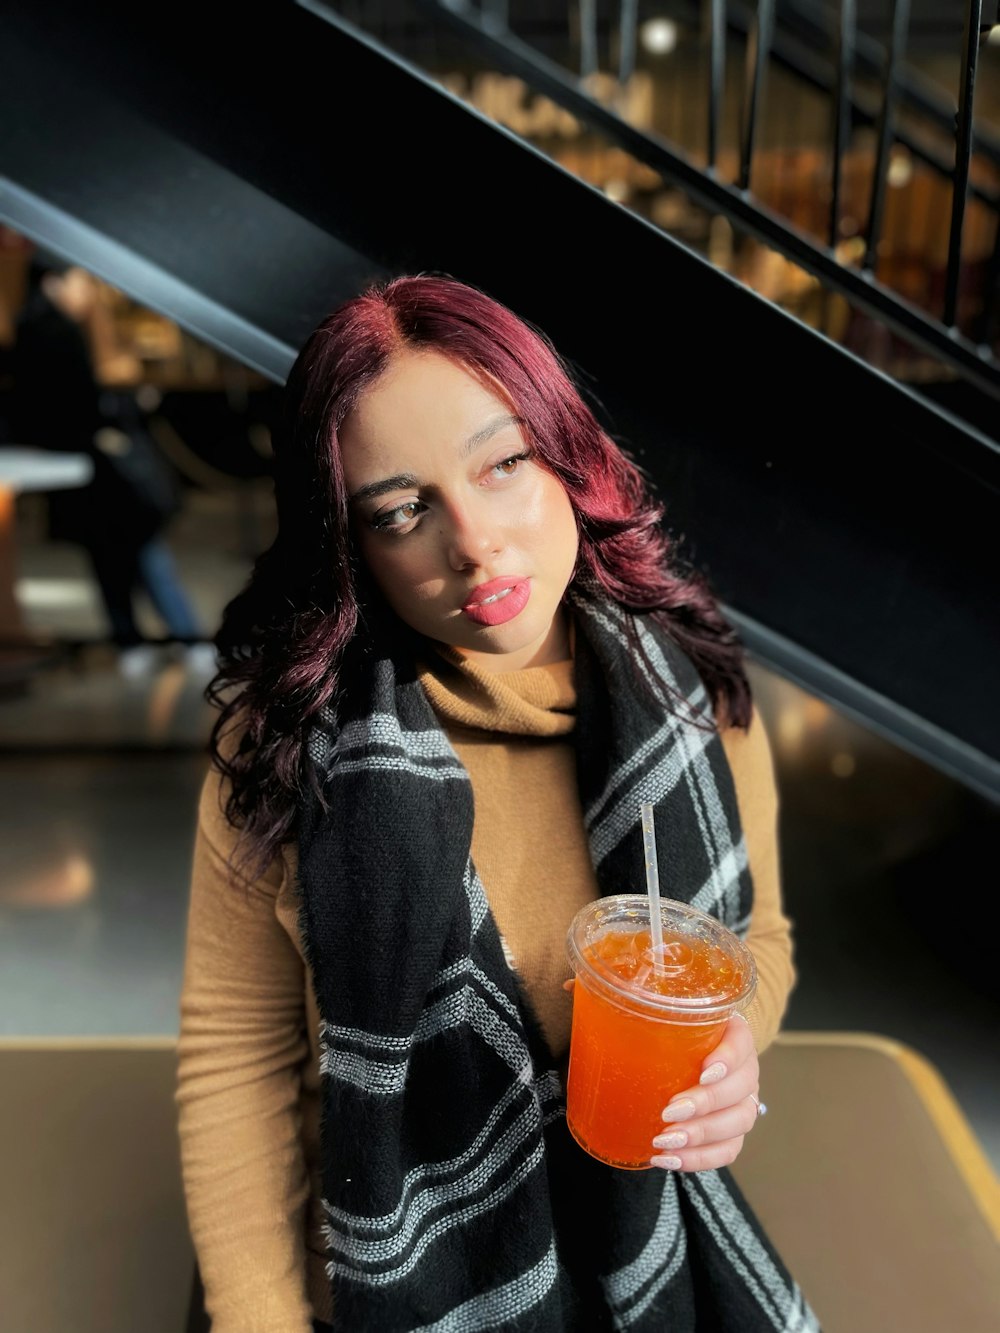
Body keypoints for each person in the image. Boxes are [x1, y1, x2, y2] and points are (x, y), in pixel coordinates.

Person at [177, 274, 818, 1332]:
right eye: (400, 510)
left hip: (636, 1250)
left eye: (505, 464)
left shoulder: (693, 696)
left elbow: (760, 939)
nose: (473, 544)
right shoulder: (288, 748)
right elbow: (236, 1060)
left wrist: (729, 1051)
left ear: (567, 454)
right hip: (376, 1281)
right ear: (350, 544)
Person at [5, 253, 205, 674]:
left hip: (85, 466)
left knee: (109, 555)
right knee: (143, 549)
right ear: (54, 283)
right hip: (101, 465)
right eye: (79, 280)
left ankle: (132, 642)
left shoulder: (34, 329)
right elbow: (78, 405)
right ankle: (184, 639)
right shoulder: (57, 331)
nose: (86, 290)